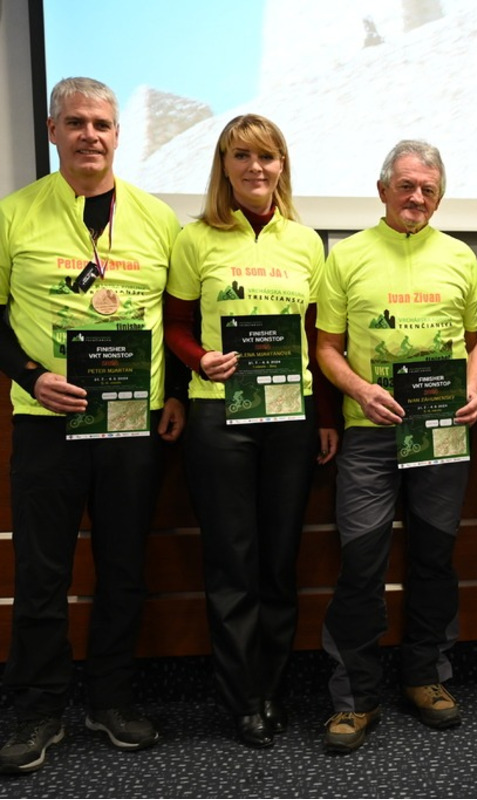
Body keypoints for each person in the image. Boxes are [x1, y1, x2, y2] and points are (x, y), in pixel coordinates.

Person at [0, 77, 184, 773]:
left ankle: (111, 699)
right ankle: (39, 711)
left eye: (102, 123)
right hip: (45, 421)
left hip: (131, 423)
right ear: (52, 132)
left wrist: (172, 396)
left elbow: (173, 317)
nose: (90, 135)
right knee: (42, 575)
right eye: (75, 122)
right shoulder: (14, 215)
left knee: (124, 569)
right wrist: (28, 374)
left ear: (117, 133)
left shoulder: (157, 219)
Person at [164, 114, 337, 748]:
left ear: (281, 165)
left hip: (291, 417)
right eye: (242, 157)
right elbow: (177, 323)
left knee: (278, 560)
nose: (255, 168)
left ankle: (273, 687)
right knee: (231, 561)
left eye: (266, 157)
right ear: (225, 166)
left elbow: (319, 337)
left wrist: (322, 416)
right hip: (219, 416)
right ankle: (243, 699)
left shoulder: (306, 242)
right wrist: (197, 360)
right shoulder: (195, 240)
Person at [317, 140, 477, 753]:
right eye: (408, 186)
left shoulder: (462, 258)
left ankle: (426, 679)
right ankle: (354, 698)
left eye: (429, 190)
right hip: (369, 437)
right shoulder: (347, 257)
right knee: (361, 564)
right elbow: (326, 347)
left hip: (442, 432)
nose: (418, 198)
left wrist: (473, 387)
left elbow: (474, 342)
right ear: (383, 189)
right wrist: (359, 391)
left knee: (435, 559)